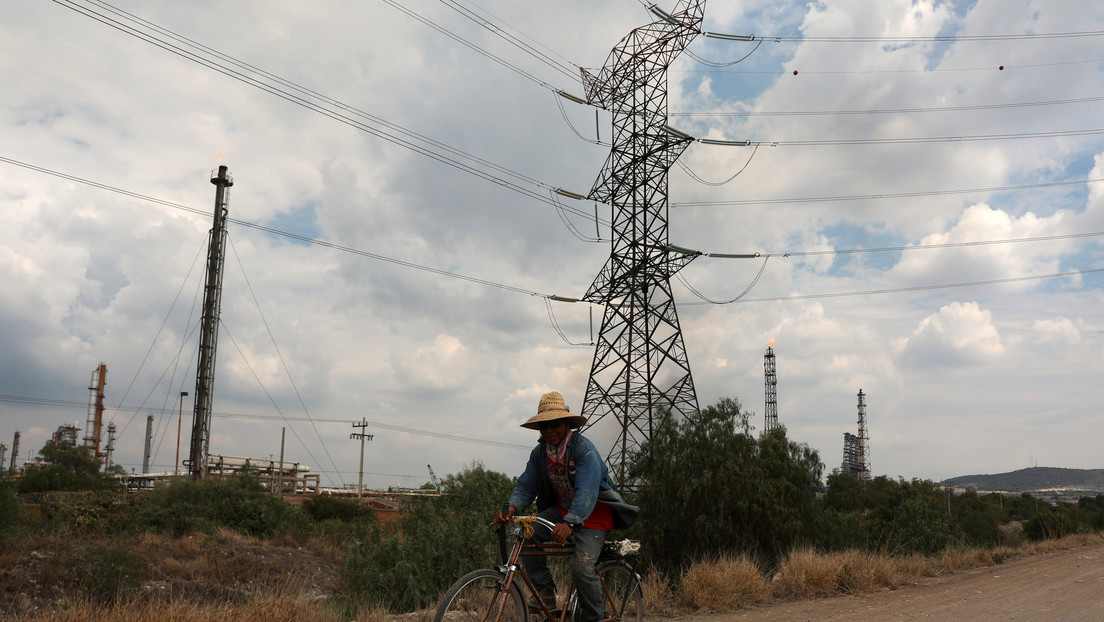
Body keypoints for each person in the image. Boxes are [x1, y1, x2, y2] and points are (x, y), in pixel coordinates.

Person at [494, 391, 637, 622]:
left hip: (594, 516)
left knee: (581, 568)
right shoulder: (540, 453)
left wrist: (570, 522)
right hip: (563, 512)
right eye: (544, 425)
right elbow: (526, 485)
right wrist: (511, 508)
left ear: (567, 423)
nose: (549, 430)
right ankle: (546, 592)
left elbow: (587, 492)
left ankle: (593, 617)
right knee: (526, 533)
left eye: (555, 424)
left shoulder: (584, 451)